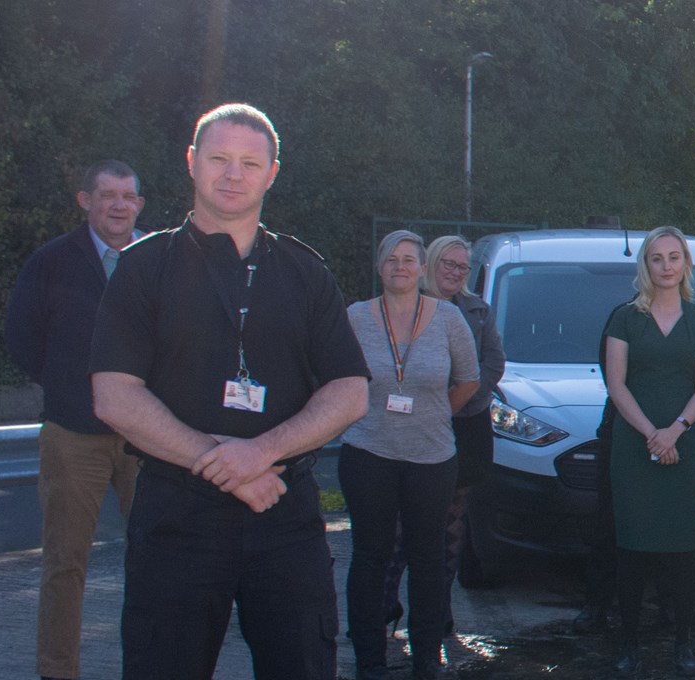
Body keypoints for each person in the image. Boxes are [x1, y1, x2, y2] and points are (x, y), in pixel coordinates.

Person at [91, 103, 371, 679]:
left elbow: (349, 391)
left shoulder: (305, 271)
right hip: (177, 515)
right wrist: (222, 461)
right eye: (218, 158)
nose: (232, 173)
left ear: (272, 172)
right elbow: (114, 394)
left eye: (250, 162)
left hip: (284, 513)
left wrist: (261, 453)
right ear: (193, 163)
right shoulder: (144, 268)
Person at [4, 159, 147, 680]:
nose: (118, 205)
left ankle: (155, 663)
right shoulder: (52, 262)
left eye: (128, 196)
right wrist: (69, 388)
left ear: (139, 205)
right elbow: (21, 337)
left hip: (149, 437)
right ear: (85, 201)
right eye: (107, 195)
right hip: (73, 434)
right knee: (65, 563)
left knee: (158, 560)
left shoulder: (161, 259)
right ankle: (57, 671)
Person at [340, 229, 480, 680]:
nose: (400, 266)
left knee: (428, 559)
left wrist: (434, 416)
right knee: (369, 557)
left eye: (408, 260)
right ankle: (370, 660)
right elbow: (337, 380)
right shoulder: (356, 317)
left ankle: (426, 659)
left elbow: (469, 379)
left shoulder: (448, 320)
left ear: (422, 269)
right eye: (391, 259)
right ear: (380, 268)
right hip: (368, 452)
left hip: (432, 458)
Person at [599, 225, 695, 677]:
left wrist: (675, 431)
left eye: (674, 257)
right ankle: (629, 645)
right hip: (634, 447)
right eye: (657, 258)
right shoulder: (625, 318)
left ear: (685, 264)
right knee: (632, 549)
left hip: (685, 445)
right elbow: (616, 385)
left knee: (681, 550)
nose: (666, 266)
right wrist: (653, 433)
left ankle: (683, 645)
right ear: (645, 265)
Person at [380, 234, 506, 649]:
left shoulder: (478, 311)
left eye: (461, 267)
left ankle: (437, 611)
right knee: (403, 523)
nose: (454, 272)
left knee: (452, 524)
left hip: (465, 425)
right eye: (447, 264)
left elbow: (492, 363)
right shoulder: (406, 306)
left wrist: (464, 397)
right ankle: (384, 603)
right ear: (430, 264)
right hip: (410, 426)